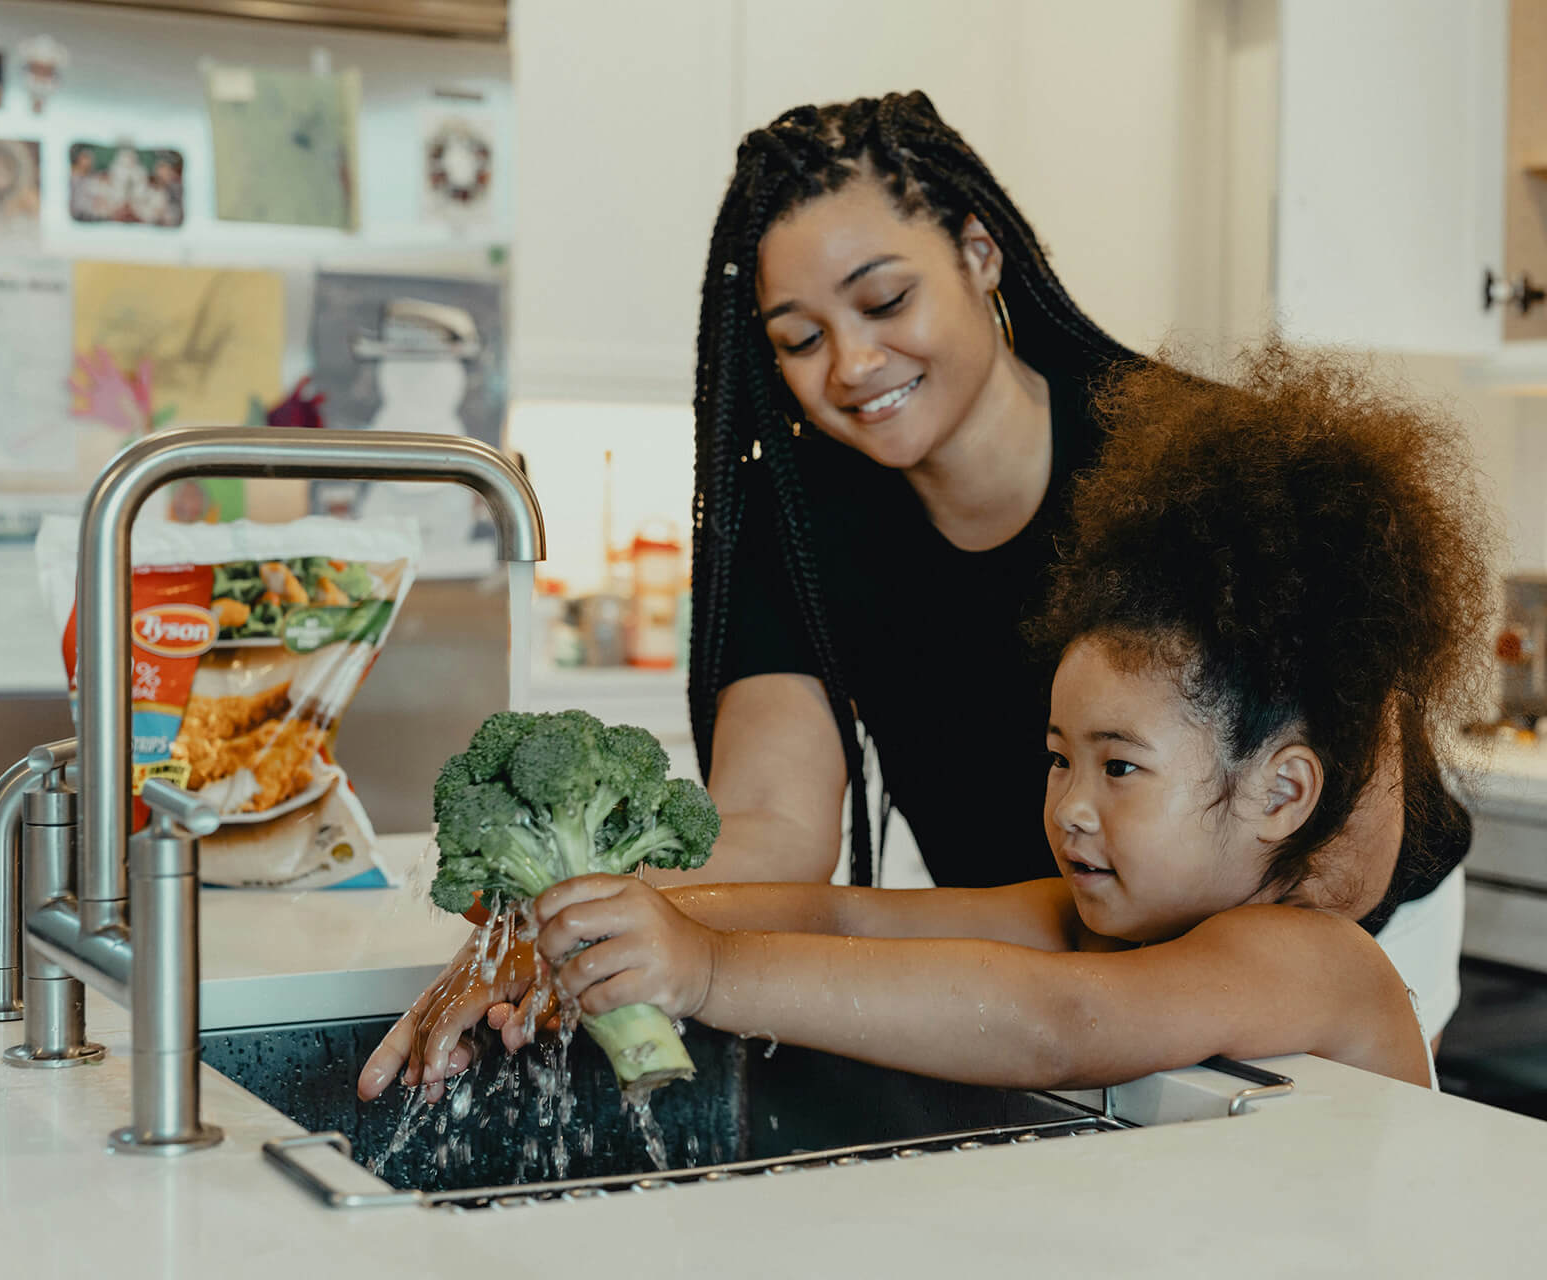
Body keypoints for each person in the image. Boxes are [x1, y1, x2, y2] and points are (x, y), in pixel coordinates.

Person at [359, 92, 1481, 1101]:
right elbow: (795, 852)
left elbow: (1113, 993)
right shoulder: (803, 524)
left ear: (979, 253)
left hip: (1296, 924)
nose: (849, 365)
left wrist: (704, 961)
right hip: (1090, 920)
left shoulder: (1194, 470)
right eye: (798, 338)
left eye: (884, 298)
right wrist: (585, 921)